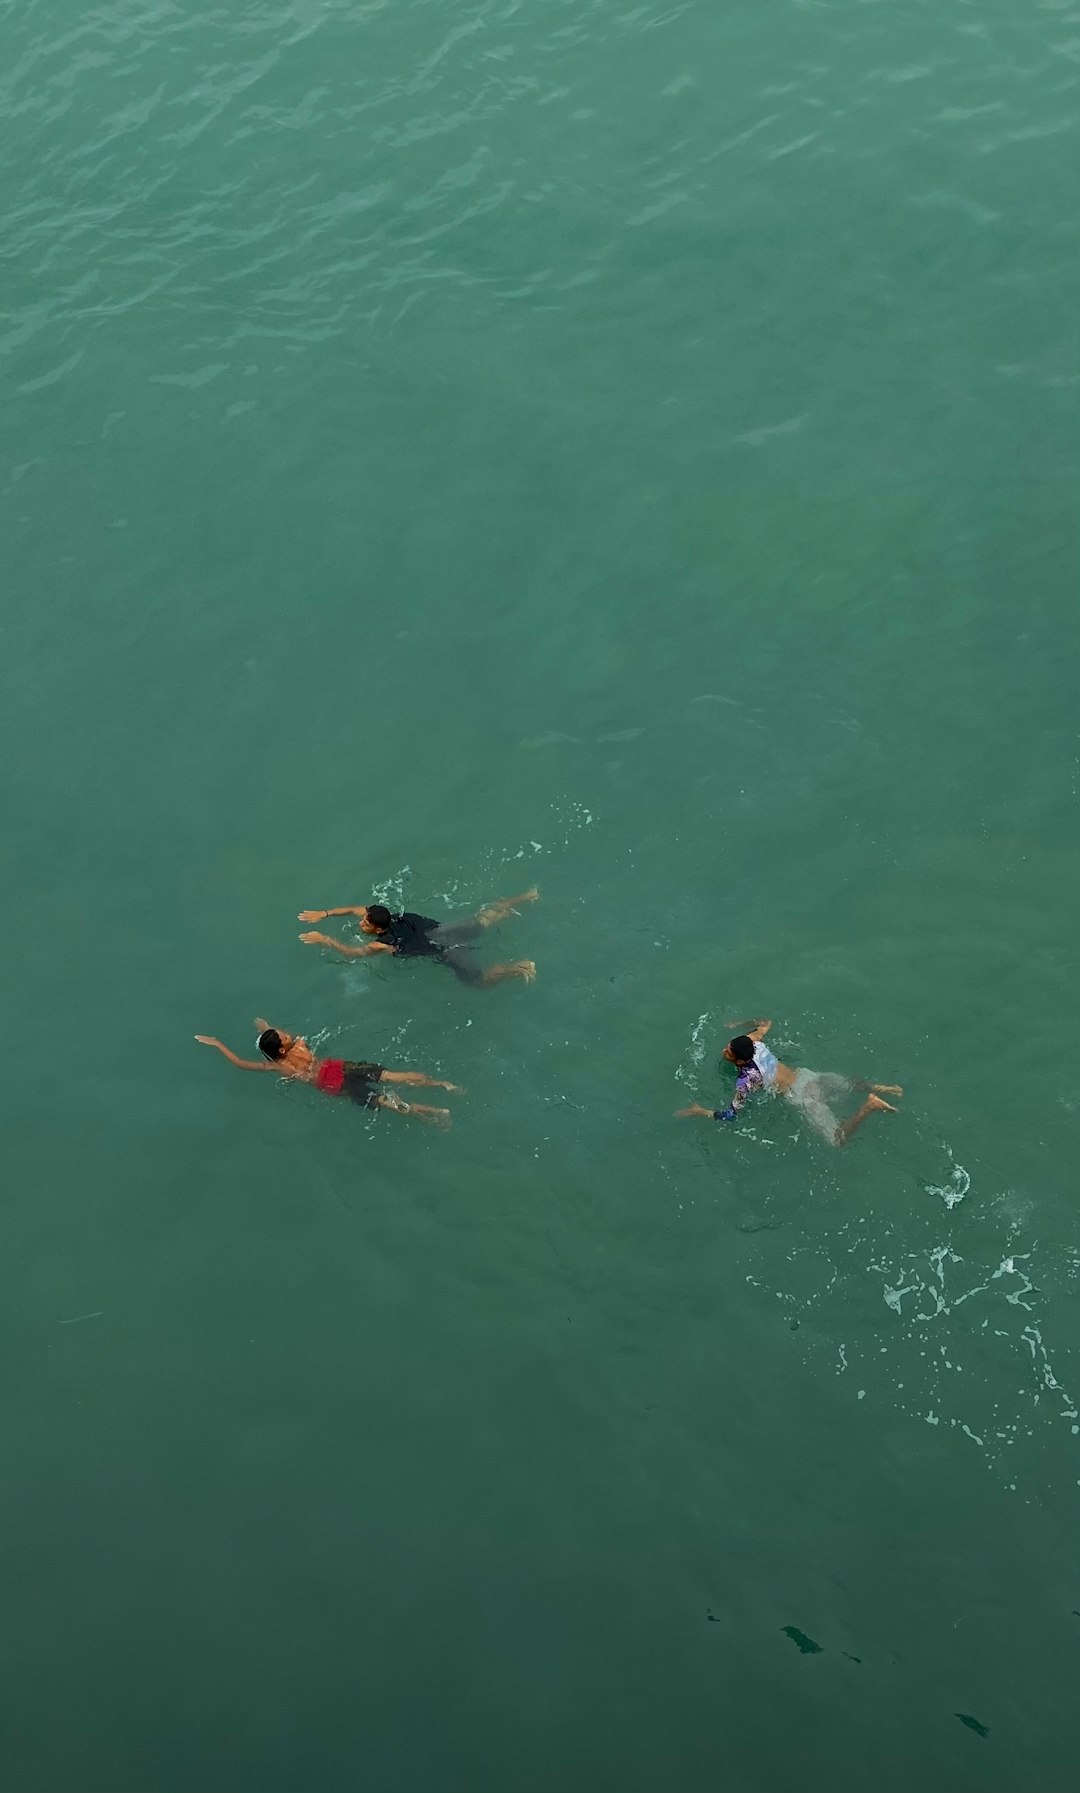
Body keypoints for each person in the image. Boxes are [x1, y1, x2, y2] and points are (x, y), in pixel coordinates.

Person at [676, 1018, 902, 1147]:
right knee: (850, 1084)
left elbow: (731, 1115)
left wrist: (700, 1111)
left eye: (728, 1051)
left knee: (837, 1141)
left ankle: (869, 1105)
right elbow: (765, 1023)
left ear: (741, 1059)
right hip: (808, 1077)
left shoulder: (747, 1080)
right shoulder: (755, 1042)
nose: (724, 1050)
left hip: (802, 1097)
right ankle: (881, 1088)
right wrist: (740, 1025)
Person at [195, 1019, 462, 1126]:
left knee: (382, 1100)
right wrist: (265, 1027)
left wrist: (219, 1044)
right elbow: (283, 1040)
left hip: (332, 1082)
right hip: (336, 1067)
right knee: (390, 1076)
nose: (286, 1034)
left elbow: (241, 1063)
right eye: (281, 1035)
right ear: (282, 1045)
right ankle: (442, 1085)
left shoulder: (278, 1065)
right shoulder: (300, 1045)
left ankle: (434, 1113)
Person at [297, 887, 539, 987]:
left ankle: (520, 967)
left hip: (445, 948)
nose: (361, 921)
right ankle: (528, 896)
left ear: (377, 928)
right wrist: (325, 913)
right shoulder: (389, 916)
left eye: (365, 922)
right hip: (442, 930)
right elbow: (352, 909)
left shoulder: (383, 943)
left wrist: (325, 940)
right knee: (485, 918)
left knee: (476, 981)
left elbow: (354, 953)